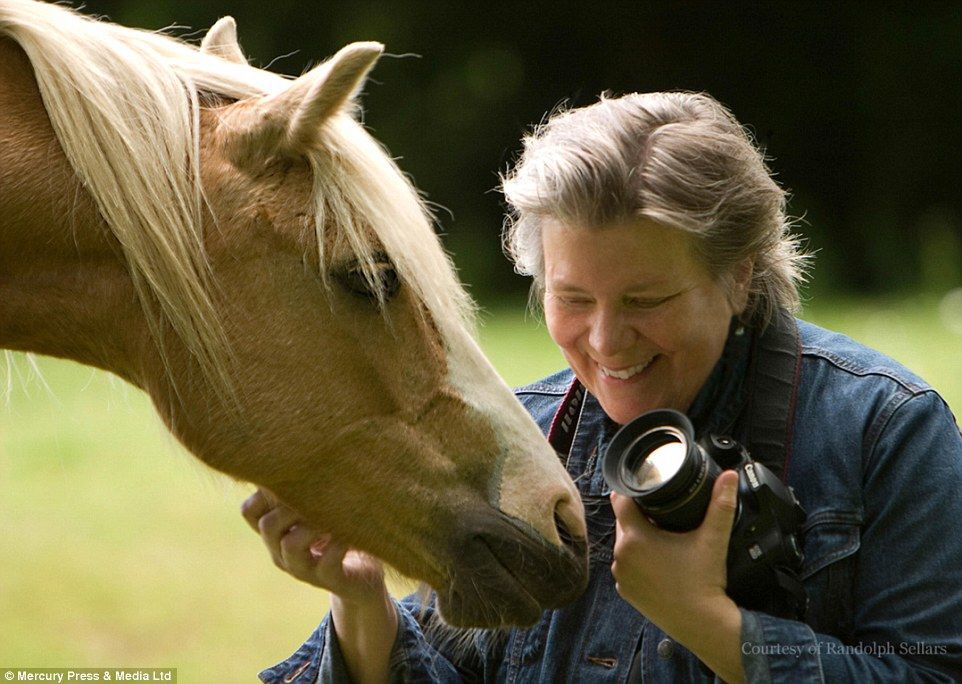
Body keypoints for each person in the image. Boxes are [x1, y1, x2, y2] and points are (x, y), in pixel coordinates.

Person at [247, 92, 962, 683]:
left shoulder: (883, 429)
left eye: (645, 301)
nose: (606, 341)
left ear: (740, 276)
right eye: (574, 299)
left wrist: (708, 624)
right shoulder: (523, 435)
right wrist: (361, 602)